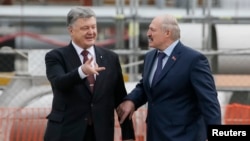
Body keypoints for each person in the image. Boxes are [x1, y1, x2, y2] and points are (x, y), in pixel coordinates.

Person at [117, 14, 221, 141]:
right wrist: (131, 100)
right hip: (155, 134)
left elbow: (209, 102)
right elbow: (146, 87)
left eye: (152, 30)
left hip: (184, 136)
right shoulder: (150, 57)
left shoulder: (194, 60)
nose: (148, 34)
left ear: (167, 33)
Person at [44, 6, 135, 141]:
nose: (91, 32)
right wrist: (82, 71)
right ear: (71, 30)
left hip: (100, 134)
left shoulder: (110, 58)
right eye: (85, 28)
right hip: (65, 133)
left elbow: (120, 100)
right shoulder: (56, 56)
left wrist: (128, 136)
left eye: (93, 27)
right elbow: (59, 83)